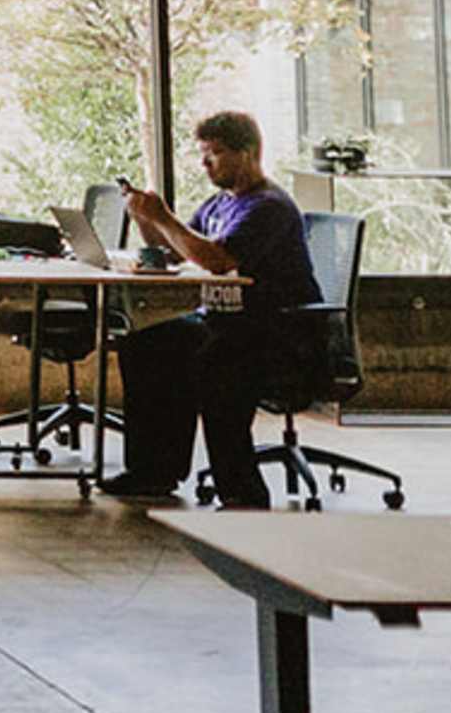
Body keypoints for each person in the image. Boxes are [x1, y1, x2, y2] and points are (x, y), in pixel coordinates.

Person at [102, 110, 321, 508]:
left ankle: (241, 491)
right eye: (203, 154)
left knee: (216, 366)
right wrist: (148, 221)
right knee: (144, 346)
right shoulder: (220, 203)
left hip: (276, 330)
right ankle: (154, 471)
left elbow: (219, 260)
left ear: (249, 153)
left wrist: (164, 217)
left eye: (215, 153)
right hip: (225, 323)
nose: (205, 163)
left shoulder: (268, 207)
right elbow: (177, 251)